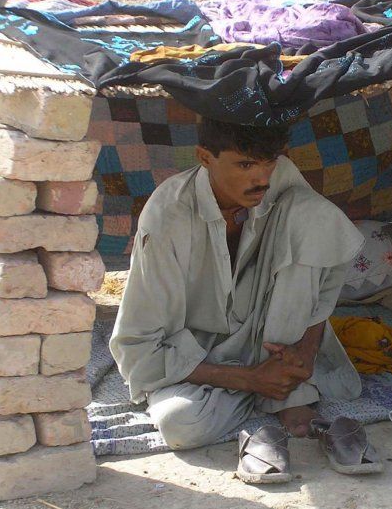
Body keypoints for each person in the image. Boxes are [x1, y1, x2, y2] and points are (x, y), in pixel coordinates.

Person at [110, 118, 364, 449]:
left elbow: (326, 254)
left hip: (274, 334)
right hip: (202, 352)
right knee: (180, 424)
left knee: (315, 214)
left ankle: (287, 386)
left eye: (268, 162)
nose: (261, 178)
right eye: (245, 164)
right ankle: (268, 389)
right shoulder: (166, 218)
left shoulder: (281, 177)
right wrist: (250, 379)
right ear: (204, 157)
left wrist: (306, 351)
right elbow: (138, 350)